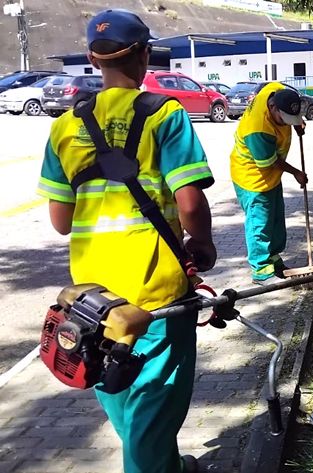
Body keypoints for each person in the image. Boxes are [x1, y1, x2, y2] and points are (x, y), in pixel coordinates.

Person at [36, 9, 216, 472]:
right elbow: (190, 201)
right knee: (156, 403)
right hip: (155, 291)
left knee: (115, 385)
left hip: (94, 296)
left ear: (94, 60)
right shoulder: (164, 114)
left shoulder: (65, 125)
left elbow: (60, 221)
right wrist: (204, 244)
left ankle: (165, 464)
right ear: (142, 56)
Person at [230, 82, 308, 284]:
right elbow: (270, 162)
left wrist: (297, 121)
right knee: (260, 223)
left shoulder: (273, 90)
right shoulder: (258, 129)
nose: (287, 123)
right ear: (272, 108)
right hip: (253, 178)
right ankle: (261, 270)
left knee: (275, 219)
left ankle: (274, 258)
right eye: (285, 119)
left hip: (272, 177)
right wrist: (296, 173)